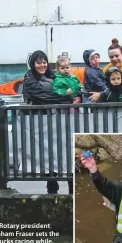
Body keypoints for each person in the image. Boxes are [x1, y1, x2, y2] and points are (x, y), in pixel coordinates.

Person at [21, 50, 74, 194]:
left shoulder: (54, 75)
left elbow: (71, 86)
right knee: (49, 154)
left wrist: (75, 95)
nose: (42, 65)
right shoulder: (29, 79)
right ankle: (52, 188)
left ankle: (71, 187)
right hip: (42, 122)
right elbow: (42, 97)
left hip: (61, 120)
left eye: (44, 62)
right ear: (33, 64)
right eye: (38, 62)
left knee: (66, 152)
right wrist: (65, 99)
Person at [90, 38, 122, 103]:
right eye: (111, 57)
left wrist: (102, 94)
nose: (114, 59)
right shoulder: (104, 71)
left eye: (117, 56)